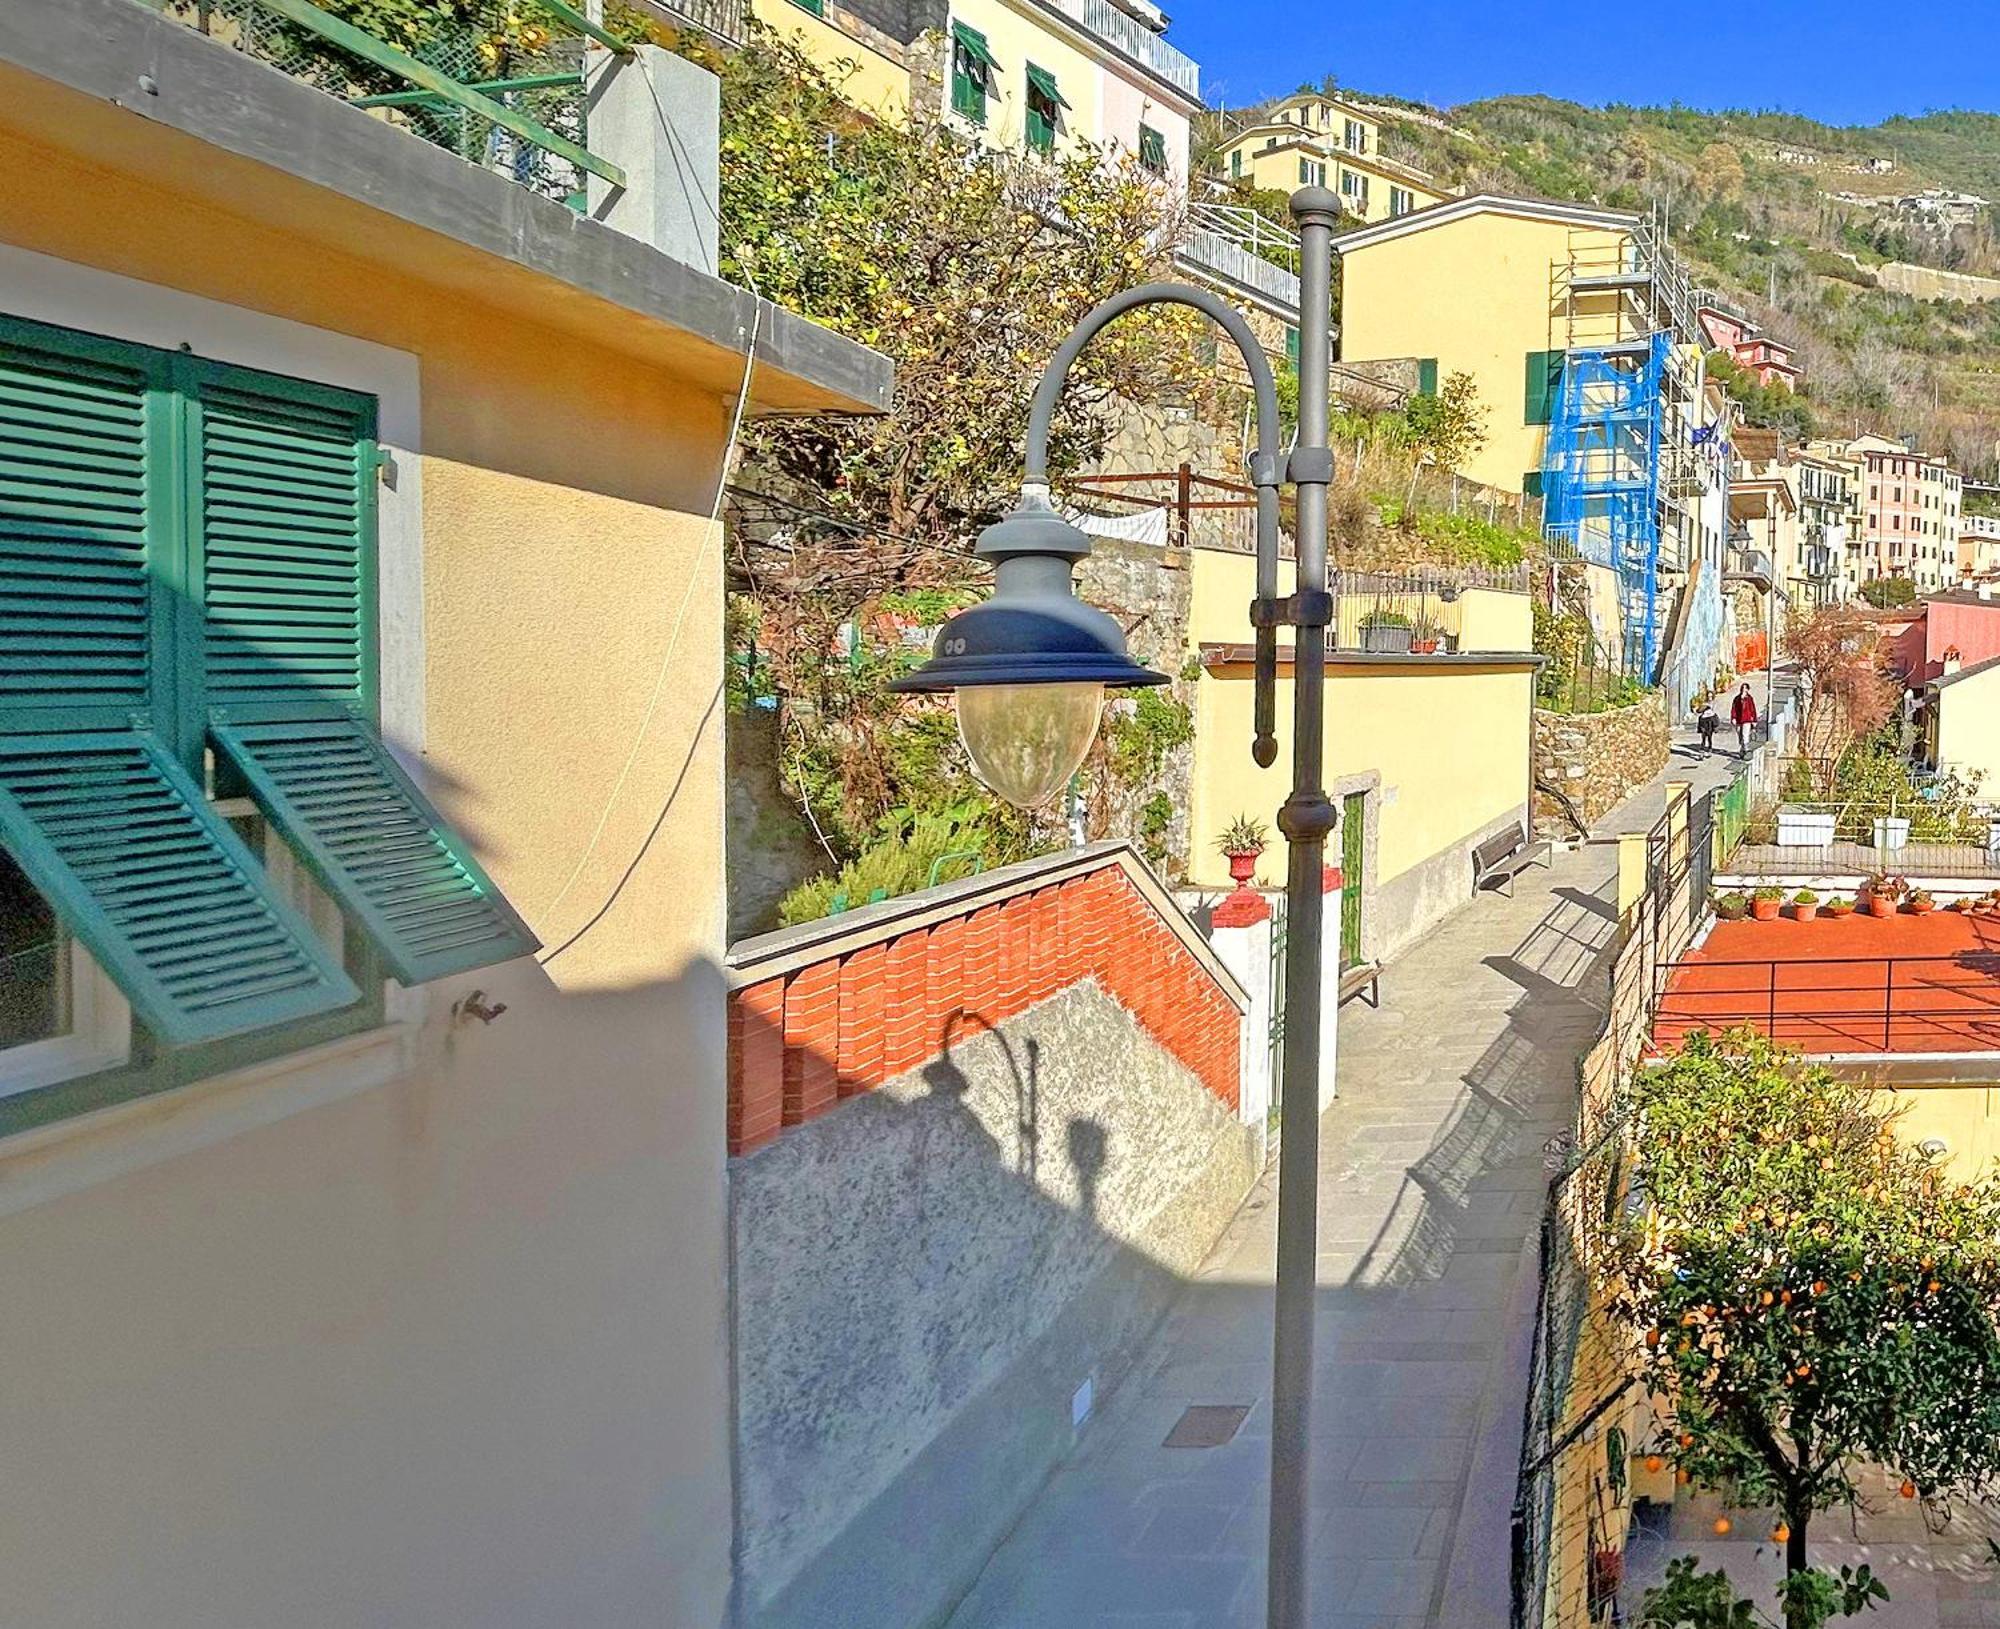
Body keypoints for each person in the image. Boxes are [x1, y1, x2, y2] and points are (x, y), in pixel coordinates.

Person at [1730, 682, 1759, 757]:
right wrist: (1733, 718)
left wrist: (1754, 720)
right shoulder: (1737, 698)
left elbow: (1753, 709)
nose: (1744, 690)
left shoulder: (1749, 699)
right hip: (1738, 719)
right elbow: (1734, 709)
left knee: (1745, 735)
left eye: (1745, 688)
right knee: (1740, 735)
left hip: (1747, 719)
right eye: (1743, 688)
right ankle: (1742, 749)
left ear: (1748, 690)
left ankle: (1746, 749)